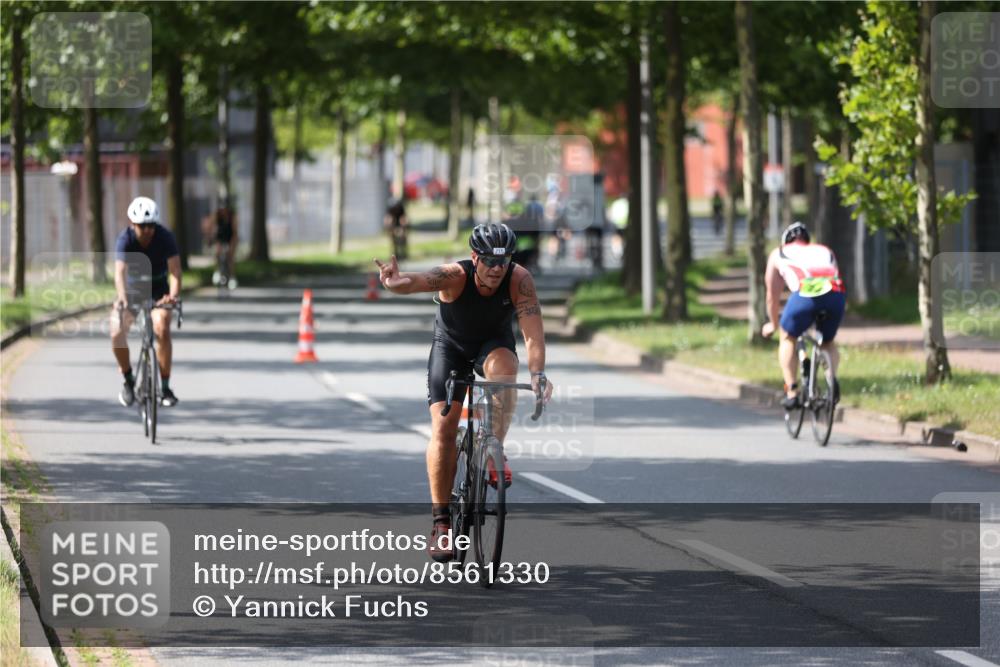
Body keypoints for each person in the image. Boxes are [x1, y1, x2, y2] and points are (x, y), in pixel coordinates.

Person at [374, 223, 554, 562]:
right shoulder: (456, 275)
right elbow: (418, 280)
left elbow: (533, 335)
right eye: (489, 261)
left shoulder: (520, 280)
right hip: (451, 347)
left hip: (493, 344)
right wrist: (394, 282)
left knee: (505, 370)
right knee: (443, 427)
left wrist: (539, 374)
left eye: (504, 261)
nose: (497, 269)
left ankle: (492, 448)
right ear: (475, 257)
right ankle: (441, 525)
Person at [761, 222, 845, 409]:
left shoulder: (778, 253)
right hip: (835, 293)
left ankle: (791, 391)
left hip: (805, 292)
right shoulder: (824, 250)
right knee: (828, 341)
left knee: (788, 336)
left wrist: (773, 324)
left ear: (786, 241)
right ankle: (832, 381)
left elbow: (771, 296)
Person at [112, 196, 182, 407]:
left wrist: (173, 296)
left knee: (162, 327)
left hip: (159, 291)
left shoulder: (165, 237)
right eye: (143, 226)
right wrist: (123, 299)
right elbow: (119, 273)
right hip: (133, 292)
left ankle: (166, 387)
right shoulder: (125, 240)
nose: (148, 230)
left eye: (151, 225)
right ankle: (128, 381)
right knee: (116, 331)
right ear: (133, 224)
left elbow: (176, 271)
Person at [212, 200, 238, 288]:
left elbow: (234, 232)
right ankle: (217, 271)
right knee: (217, 253)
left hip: (230, 237)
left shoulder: (232, 216)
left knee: (230, 257)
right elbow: (213, 227)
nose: (223, 211)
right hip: (220, 237)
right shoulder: (217, 215)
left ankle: (232, 277)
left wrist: (232, 245)